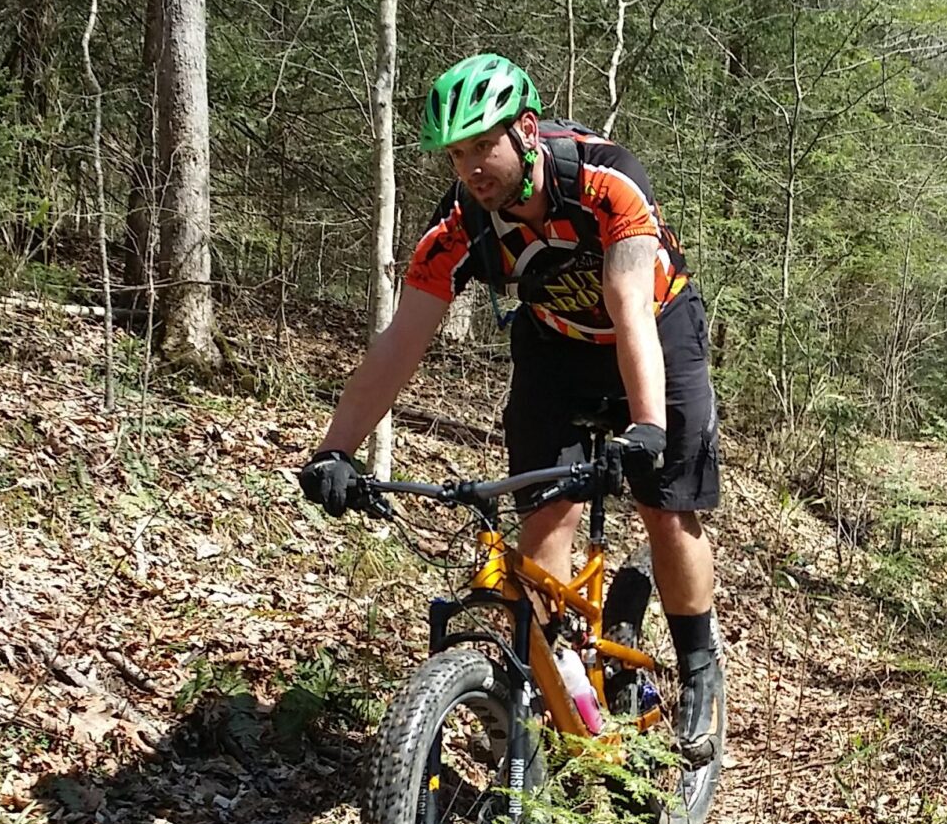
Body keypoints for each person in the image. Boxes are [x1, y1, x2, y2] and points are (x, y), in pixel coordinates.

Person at [301, 52, 725, 765]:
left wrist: (647, 427)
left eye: (482, 145)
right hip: (555, 350)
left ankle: (700, 667)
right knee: (543, 516)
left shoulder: (604, 181)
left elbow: (630, 312)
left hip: (655, 331)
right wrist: (334, 449)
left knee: (664, 502)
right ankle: (543, 703)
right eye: (456, 154)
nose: (471, 168)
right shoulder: (460, 224)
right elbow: (401, 342)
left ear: (525, 130)